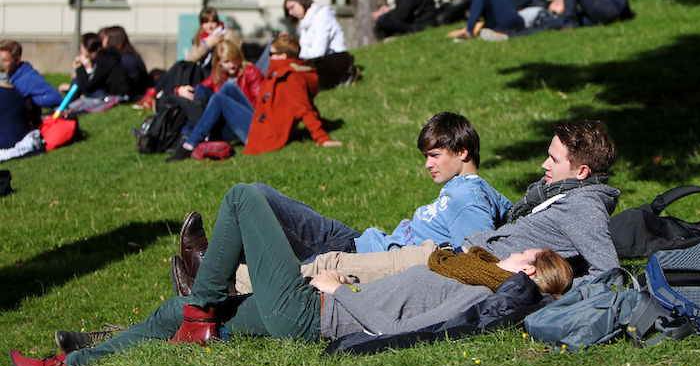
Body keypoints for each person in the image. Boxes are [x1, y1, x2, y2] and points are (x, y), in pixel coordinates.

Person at [8, 183, 573, 366]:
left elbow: (408, 330)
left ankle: (201, 309)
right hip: (315, 310)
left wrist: (338, 293)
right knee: (171, 314)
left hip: (314, 315)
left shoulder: (482, 291)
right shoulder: (475, 273)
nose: (513, 249)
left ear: (530, 270)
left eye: (524, 253)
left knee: (242, 197)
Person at [212, 119, 619, 295]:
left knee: (282, 230)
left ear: (581, 171)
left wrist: (552, 285)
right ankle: (218, 270)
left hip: (415, 259)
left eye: (553, 159)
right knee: (260, 204)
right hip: (387, 246)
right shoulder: (555, 198)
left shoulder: (583, 208)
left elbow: (610, 273)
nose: (544, 164)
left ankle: (217, 277)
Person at [172, 111, 513, 292]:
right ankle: (214, 274)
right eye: (426, 156)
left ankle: (210, 281)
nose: (427, 164)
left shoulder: (469, 197)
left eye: (435, 155)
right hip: (358, 240)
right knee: (258, 197)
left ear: (463, 152)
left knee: (256, 203)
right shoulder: (468, 189)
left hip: (359, 257)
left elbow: (475, 257)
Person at [166, 40, 264, 161]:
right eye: (227, 61)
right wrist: (179, 90)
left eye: (234, 60)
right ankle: (188, 134)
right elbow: (198, 90)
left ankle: (190, 143)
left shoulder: (251, 72)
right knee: (201, 90)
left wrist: (232, 105)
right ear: (219, 63)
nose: (232, 65)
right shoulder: (219, 76)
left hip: (251, 123)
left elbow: (260, 106)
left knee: (223, 93)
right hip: (229, 127)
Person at [256, 0, 355, 89]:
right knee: (275, 45)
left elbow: (318, 51)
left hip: (330, 61)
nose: (290, 13)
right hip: (316, 61)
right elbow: (305, 47)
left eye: (292, 7)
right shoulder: (306, 20)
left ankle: (257, 81)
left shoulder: (322, 16)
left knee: (278, 52)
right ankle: (256, 79)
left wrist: (292, 52)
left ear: (302, 1)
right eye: (288, 10)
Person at [60, 33, 130, 101]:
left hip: (115, 96)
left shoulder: (106, 61)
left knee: (77, 82)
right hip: (107, 92)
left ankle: (66, 104)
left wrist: (80, 68)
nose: (81, 51)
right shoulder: (102, 59)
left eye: (82, 48)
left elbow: (88, 86)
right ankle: (69, 102)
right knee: (77, 81)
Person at [0, 40, 62, 115]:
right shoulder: (5, 75)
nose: (1, 64)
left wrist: (28, 101)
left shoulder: (29, 77)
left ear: (17, 60)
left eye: (5, 60)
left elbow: (56, 97)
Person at [98, 26, 149, 98]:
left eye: (104, 39)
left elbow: (134, 83)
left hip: (133, 94)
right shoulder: (118, 57)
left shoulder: (127, 59)